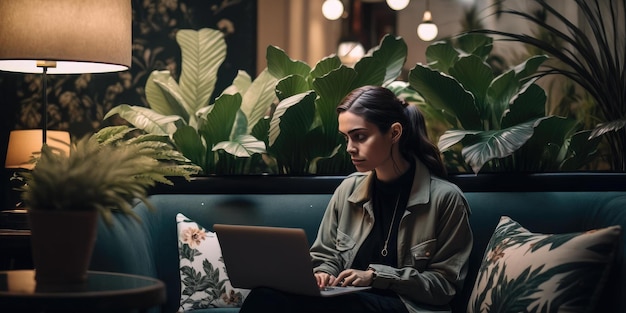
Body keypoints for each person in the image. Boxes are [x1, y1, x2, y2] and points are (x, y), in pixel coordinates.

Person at [239, 85, 473, 313]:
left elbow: (445, 286)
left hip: (406, 306)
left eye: (360, 137)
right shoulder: (348, 190)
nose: (350, 148)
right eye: (346, 138)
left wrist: (376, 277)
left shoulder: (445, 199)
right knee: (265, 296)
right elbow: (325, 256)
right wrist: (323, 274)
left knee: (346, 306)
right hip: (345, 301)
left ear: (394, 133)